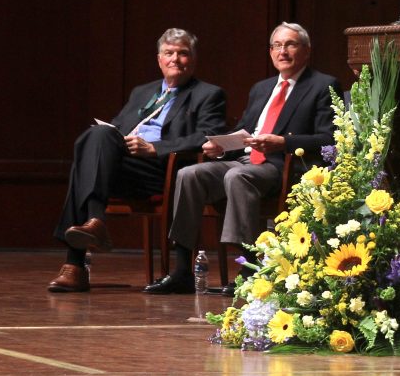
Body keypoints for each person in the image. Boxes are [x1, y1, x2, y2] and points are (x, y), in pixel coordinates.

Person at [145, 22, 341, 295]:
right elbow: (245, 133)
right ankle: (182, 270)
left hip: (280, 166)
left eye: (290, 45)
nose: (282, 51)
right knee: (189, 174)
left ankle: (248, 267)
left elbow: (328, 138)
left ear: (306, 51)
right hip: (245, 159)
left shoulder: (322, 85)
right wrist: (221, 147)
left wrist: (284, 142)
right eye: (277, 46)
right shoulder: (262, 88)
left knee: (236, 176)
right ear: (271, 52)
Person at [48, 29, 227, 292]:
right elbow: (116, 128)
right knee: (95, 138)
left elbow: (209, 136)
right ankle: (94, 224)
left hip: (162, 170)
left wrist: (154, 148)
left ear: (193, 59)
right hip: (124, 166)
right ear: (159, 59)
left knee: (86, 162)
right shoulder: (142, 92)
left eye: (182, 53)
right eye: (169, 53)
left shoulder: (208, 94)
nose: (175, 59)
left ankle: (75, 264)